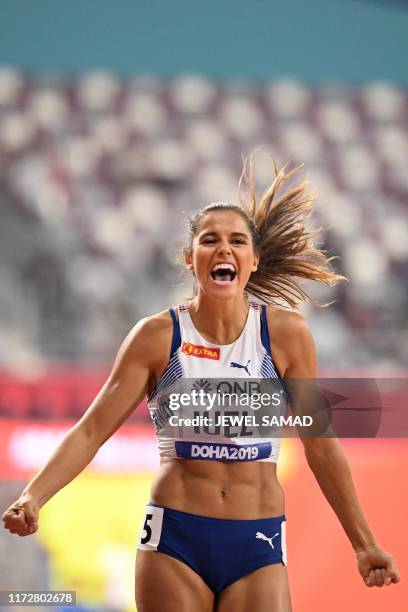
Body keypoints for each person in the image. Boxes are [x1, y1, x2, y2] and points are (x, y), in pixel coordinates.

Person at [2, 161, 400, 612]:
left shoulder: (286, 336)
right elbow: (92, 431)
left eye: (236, 241)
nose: (223, 249)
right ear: (191, 258)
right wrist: (34, 496)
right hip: (175, 541)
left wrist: (363, 543)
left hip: (258, 541)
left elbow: (321, 444)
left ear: (253, 260)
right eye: (209, 240)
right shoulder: (157, 337)